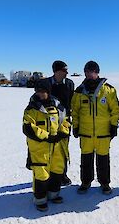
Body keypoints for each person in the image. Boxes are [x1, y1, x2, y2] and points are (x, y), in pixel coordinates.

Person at [71, 61, 119, 195]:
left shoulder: (108, 90)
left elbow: (115, 110)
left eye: (92, 71)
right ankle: (85, 182)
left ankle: (105, 183)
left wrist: (113, 125)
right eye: (86, 71)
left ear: (97, 72)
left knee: (103, 160)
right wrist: (75, 127)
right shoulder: (79, 91)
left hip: (103, 133)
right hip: (86, 133)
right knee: (86, 159)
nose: (89, 74)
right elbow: (74, 111)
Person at [23, 79, 71, 211]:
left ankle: (53, 194)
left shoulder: (58, 106)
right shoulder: (32, 109)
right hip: (40, 149)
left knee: (57, 170)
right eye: (38, 91)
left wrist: (62, 132)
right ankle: (40, 199)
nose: (40, 94)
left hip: (57, 147)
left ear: (48, 91)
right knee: (41, 175)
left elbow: (66, 120)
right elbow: (28, 127)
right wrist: (47, 136)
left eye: (43, 91)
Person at [42, 60, 75, 186]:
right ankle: (48, 174)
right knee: (49, 148)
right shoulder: (46, 84)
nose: (67, 73)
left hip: (64, 122)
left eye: (67, 70)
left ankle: (62, 174)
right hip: (48, 123)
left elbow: (73, 102)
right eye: (64, 70)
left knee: (63, 149)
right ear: (56, 71)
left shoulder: (70, 84)